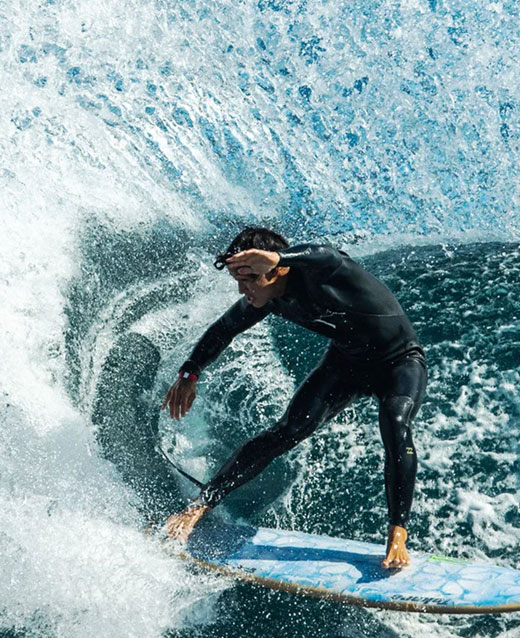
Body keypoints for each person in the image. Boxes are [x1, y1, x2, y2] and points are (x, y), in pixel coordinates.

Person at [161, 227, 427, 568]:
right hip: (346, 364)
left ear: (277, 269)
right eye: (238, 282)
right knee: (287, 430)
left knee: (395, 422)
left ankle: (397, 534)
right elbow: (225, 328)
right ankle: (201, 505)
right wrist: (190, 373)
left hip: (399, 362)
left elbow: (329, 255)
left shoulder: (323, 276)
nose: (243, 290)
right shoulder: (270, 299)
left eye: (250, 279)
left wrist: (278, 256)